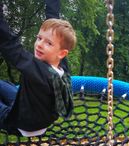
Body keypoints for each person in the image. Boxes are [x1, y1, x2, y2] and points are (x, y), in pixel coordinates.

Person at [0, 0, 76, 137]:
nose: (39, 45)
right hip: (36, 115)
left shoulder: (39, 72)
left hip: (21, 124)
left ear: (61, 53)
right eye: (39, 38)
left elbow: (8, 44)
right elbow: (52, 17)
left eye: (48, 43)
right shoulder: (61, 64)